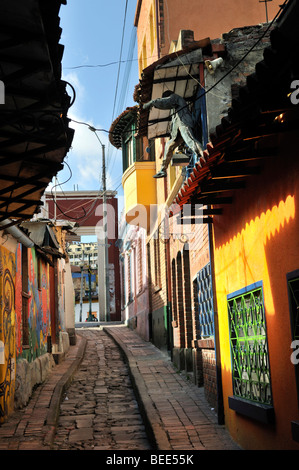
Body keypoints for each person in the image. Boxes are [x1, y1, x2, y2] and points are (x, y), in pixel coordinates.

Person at [143, 90, 204, 178]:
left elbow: (166, 102)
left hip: (184, 123)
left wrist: (152, 103)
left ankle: (203, 155)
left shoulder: (175, 97)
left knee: (190, 140)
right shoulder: (174, 109)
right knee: (168, 146)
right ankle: (163, 170)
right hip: (177, 131)